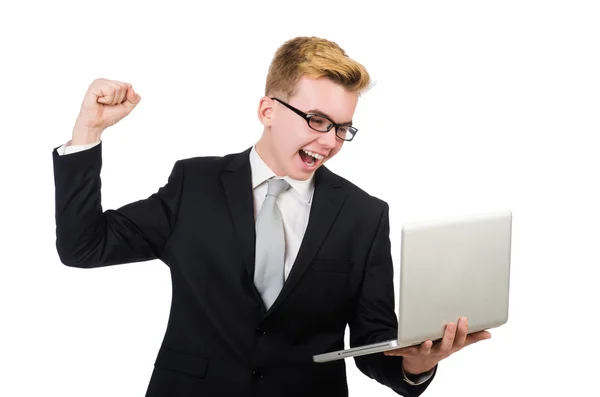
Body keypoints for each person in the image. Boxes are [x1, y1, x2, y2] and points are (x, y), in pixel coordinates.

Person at [52, 36, 491, 397]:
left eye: (342, 127)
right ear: (267, 111)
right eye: (317, 120)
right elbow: (84, 247)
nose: (330, 141)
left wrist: (415, 365)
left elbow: (373, 347)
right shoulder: (194, 185)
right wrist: (87, 132)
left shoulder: (363, 214)